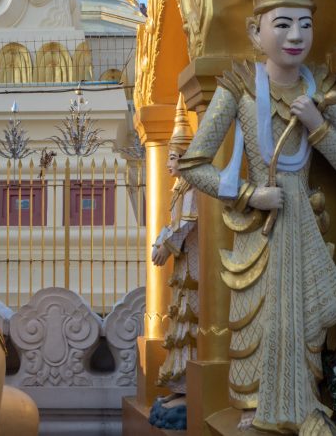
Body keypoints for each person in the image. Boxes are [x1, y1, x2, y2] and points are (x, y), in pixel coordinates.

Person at [178, 0, 336, 433]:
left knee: (303, 325)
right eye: (282, 24)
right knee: (262, 323)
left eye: (305, 24)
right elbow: (192, 165)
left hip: (304, 221)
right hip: (260, 228)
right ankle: (262, 412)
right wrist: (247, 193)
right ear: (255, 32)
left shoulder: (321, 87)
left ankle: (304, 408)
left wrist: (317, 126)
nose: (296, 36)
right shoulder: (237, 87)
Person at [148, 93, 198, 431]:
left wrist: (166, 243)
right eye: (167, 157)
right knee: (179, 323)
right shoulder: (180, 186)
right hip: (183, 268)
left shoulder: (194, 185)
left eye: (174, 157)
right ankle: (179, 387)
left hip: (195, 267)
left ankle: (189, 388)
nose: (169, 164)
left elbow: (188, 223)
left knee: (191, 327)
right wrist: (161, 241)